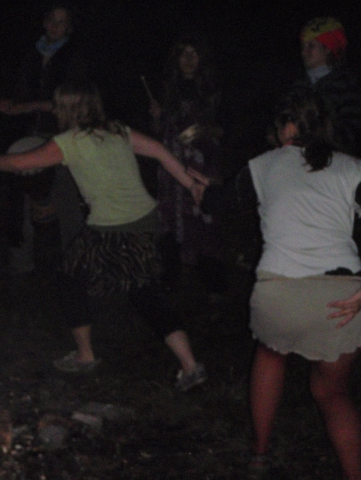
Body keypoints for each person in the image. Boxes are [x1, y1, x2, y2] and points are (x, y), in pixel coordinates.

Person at [0, 81, 207, 391]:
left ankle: (92, 358)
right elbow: (158, 150)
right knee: (124, 286)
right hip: (144, 220)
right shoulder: (117, 130)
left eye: (58, 105)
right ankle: (185, 365)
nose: (55, 109)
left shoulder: (69, 141)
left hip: (114, 228)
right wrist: (190, 184)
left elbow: (21, 162)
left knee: (95, 282)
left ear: (68, 109)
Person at [193, 90, 361, 478]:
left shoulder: (262, 165)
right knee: (332, 393)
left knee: (271, 355)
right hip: (342, 297)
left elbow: (217, 202)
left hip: (281, 292)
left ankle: (259, 454)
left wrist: (203, 191)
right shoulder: (353, 168)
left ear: (286, 127)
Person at [0, 3, 88, 274]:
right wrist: (8, 103)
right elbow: (18, 91)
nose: (55, 26)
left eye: (62, 22)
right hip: (29, 134)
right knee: (21, 201)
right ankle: (21, 264)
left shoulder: (74, 58)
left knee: (67, 201)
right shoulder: (31, 55)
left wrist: (26, 107)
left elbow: (71, 103)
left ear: (69, 27)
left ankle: (77, 265)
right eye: (51, 20)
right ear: (44, 23)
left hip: (63, 137)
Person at [148, 36, 226, 297]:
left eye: (194, 53)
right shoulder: (168, 89)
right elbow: (157, 132)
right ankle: (170, 277)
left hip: (202, 164)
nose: (189, 59)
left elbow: (225, 129)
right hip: (172, 165)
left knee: (204, 218)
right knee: (170, 217)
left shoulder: (213, 90)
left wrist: (204, 130)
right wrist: (156, 117)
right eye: (184, 54)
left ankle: (212, 283)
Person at [288, 17, 361, 158]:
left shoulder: (347, 85)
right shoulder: (297, 84)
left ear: (328, 48)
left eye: (311, 46)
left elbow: (352, 131)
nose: (304, 52)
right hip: (297, 159)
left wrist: (315, 135)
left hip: (335, 161)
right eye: (303, 46)